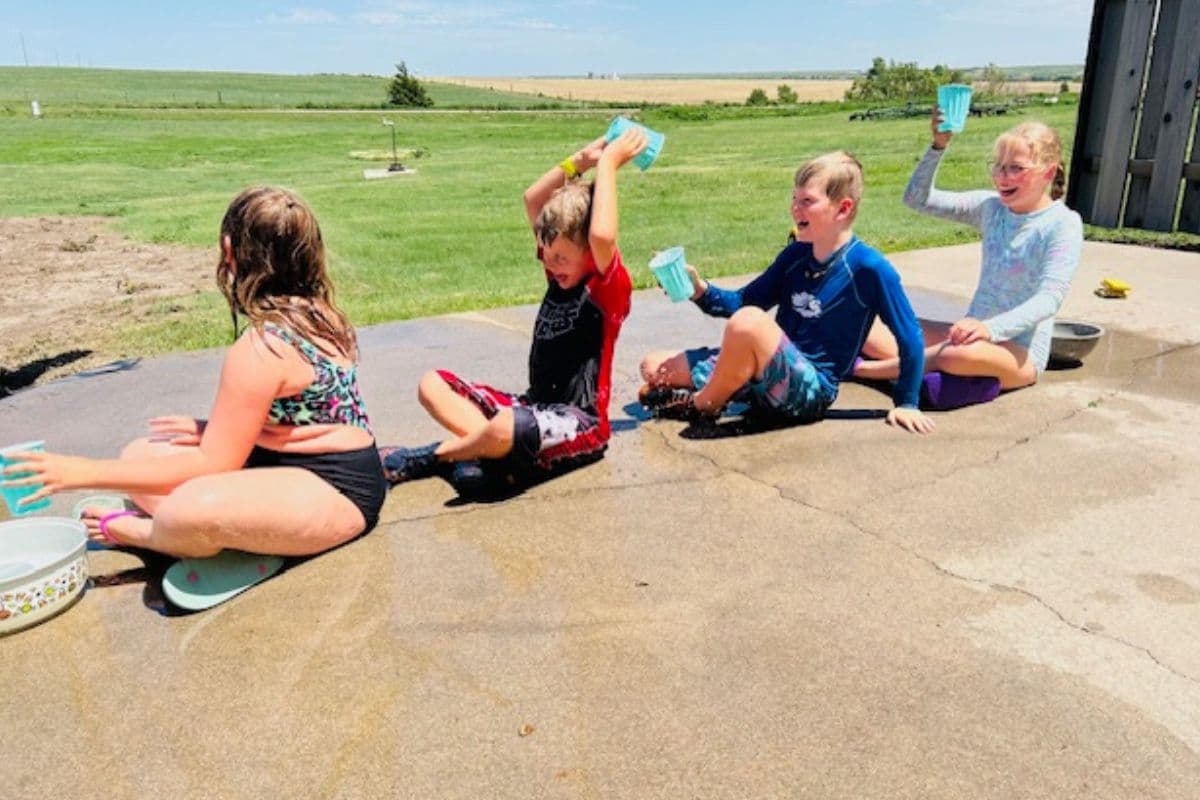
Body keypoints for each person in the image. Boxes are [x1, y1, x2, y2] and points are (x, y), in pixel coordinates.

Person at [3, 187, 386, 557]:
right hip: (286, 463)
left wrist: (78, 472)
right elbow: (314, 415)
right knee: (139, 455)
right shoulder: (320, 313)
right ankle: (228, 531)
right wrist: (216, 430)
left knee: (186, 510)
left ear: (228, 251)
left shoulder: (262, 348)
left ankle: (147, 533)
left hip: (338, 491)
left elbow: (216, 465)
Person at [379, 127, 645, 489]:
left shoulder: (607, 289)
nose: (550, 265)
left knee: (506, 426)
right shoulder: (559, 276)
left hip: (577, 423)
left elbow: (601, 235)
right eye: (546, 256)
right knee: (434, 384)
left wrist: (610, 165)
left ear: (588, 257)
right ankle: (483, 453)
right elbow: (532, 198)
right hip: (534, 408)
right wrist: (579, 161)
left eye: (561, 257)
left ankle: (432, 457)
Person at [640, 151, 934, 435]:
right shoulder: (795, 255)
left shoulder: (869, 268)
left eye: (807, 201)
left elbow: (910, 335)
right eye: (794, 199)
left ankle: (703, 405)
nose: (795, 208)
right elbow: (742, 302)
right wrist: (698, 289)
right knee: (654, 368)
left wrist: (907, 402)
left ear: (843, 208)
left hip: (810, 390)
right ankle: (724, 390)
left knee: (749, 323)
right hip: (767, 371)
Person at [853, 113, 1083, 398]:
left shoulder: (1063, 223)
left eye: (1016, 168)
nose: (1002, 176)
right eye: (998, 167)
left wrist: (989, 329)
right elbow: (917, 198)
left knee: (956, 356)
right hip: (967, 336)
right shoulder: (991, 208)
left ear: (1048, 173)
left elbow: (1049, 299)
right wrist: (938, 146)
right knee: (870, 323)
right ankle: (940, 379)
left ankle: (865, 370)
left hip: (1018, 354)